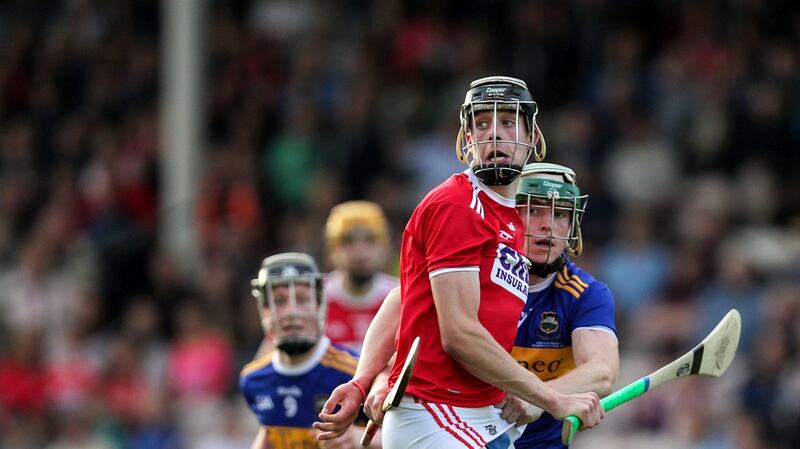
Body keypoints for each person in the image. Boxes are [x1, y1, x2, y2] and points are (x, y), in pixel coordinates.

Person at [314, 76, 603, 449]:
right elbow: (459, 335)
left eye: (507, 123)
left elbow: (405, 298)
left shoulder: (511, 221)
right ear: (467, 140)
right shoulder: (457, 206)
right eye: (481, 124)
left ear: (531, 137)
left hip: (476, 413)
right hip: (437, 411)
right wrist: (551, 397)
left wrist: (361, 380)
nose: (494, 135)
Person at [511, 162, 619, 448]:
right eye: (534, 210)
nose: (548, 224)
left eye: (560, 214)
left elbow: (602, 371)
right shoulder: (476, 279)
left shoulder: (586, 293)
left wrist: (538, 397)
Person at [240, 252, 377, 449]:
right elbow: (269, 432)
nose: (291, 312)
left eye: (302, 299)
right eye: (279, 301)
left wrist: (362, 438)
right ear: (264, 309)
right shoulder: (253, 379)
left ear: (320, 305)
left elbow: (406, 435)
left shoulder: (358, 372)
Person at [324, 201, 399, 351]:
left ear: (384, 248)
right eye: (348, 241)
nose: (360, 252)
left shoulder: (400, 297)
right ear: (332, 250)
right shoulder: (315, 298)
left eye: (370, 240)